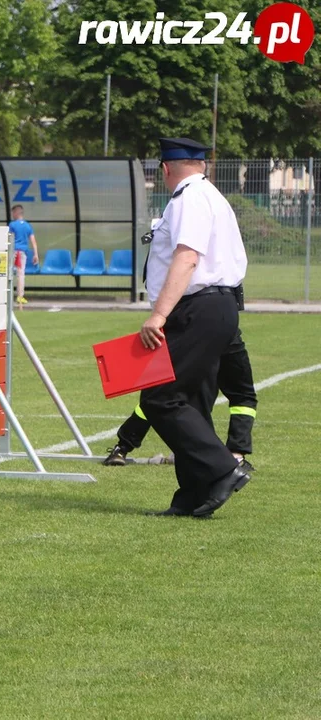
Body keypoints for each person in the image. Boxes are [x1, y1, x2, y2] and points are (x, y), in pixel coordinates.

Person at [138, 137, 250, 518]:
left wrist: (158, 315)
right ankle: (194, 495)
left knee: (159, 398)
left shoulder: (189, 198)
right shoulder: (210, 196)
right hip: (217, 306)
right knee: (192, 400)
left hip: (199, 306)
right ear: (200, 164)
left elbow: (186, 258)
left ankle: (223, 469)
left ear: (166, 169)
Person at [104, 327, 257, 470]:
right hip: (222, 331)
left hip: (189, 331)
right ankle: (234, 456)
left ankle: (122, 447)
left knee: (158, 395)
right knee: (239, 395)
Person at [7, 205, 38, 305]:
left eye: (13, 213)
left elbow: (9, 238)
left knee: (9, 272)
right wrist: (35, 254)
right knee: (21, 274)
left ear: (16, 213)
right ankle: (20, 296)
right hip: (22, 253)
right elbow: (33, 241)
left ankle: (7, 295)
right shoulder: (27, 226)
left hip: (13, 251)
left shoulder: (12, 225)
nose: (12, 215)